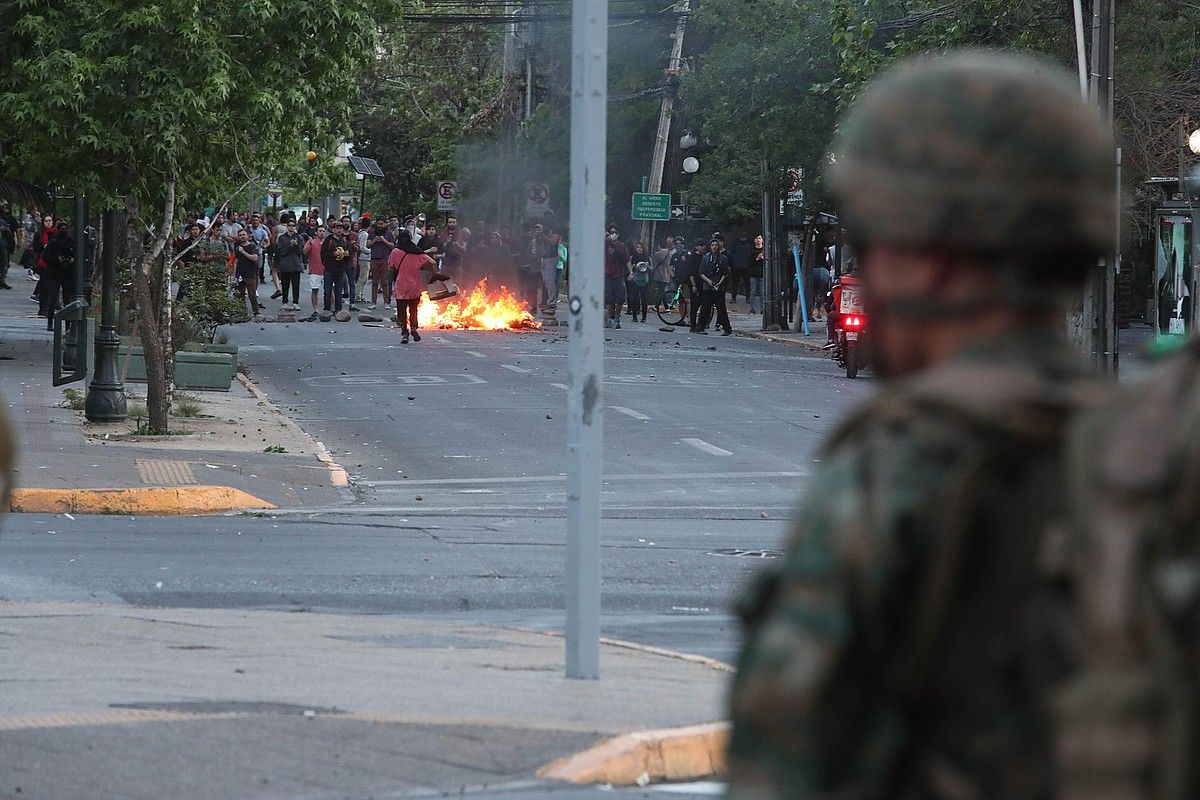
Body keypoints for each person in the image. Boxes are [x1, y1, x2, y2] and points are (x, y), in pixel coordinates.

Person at [726, 51, 1119, 799]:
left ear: (929, 261)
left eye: (876, 244)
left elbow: (792, 759)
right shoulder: (1157, 452)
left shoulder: (904, 467)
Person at [390, 230, 434, 344]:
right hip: (414, 285)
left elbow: (391, 266)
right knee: (413, 310)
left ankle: (405, 332)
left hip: (401, 285)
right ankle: (414, 328)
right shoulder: (417, 252)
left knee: (402, 311)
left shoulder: (395, 251)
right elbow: (432, 262)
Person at [695, 239, 731, 335]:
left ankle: (727, 329)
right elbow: (701, 272)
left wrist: (719, 283)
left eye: (716, 245)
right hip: (708, 285)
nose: (714, 247)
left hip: (719, 286)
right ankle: (700, 327)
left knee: (721, 308)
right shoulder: (706, 258)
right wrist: (708, 281)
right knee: (705, 308)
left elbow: (725, 272)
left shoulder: (723, 258)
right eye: (712, 245)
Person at [320, 221, 353, 313]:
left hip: (341, 269)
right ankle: (327, 309)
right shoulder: (328, 240)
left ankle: (338, 310)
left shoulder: (345, 241)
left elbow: (351, 253)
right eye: (337, 228)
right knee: (327, 291)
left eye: (341, 228)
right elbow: (323, 254)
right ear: (333, 229)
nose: (339, 230)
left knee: (339, 292)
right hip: (329, 269)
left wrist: (347, 254)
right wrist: (333, 254)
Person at [274, 219, 304, 310]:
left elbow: (301, 252)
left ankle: (295, 302)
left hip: (295, 265)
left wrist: (296, 245)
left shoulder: (299, 238)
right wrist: (290, 246)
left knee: (296, 285)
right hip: (285, 265)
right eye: (290, 225)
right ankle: (285, 302)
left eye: (293, 226)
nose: (291, 227)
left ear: (296, 227)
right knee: (285, 285)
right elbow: (281, 252)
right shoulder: (282, 238)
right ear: (287, 227)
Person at [232, 228, 262, 319]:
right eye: (240, 235)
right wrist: (234, 273)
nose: (242, 237)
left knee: (252, 294)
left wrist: (244, 252)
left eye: (244, 234)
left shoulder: (252, 247)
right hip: (240, 273)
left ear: (248, 236)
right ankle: (241, 313)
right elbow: (236, 260)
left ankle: (256, 312)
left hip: (250, 273)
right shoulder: (237, 247)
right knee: (239, 295)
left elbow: (254, 258)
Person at [603, 225, 629, 329]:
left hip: (619, 274)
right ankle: (609, 318)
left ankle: (617, 317)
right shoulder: (605, 244)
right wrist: (606, 237)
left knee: (621, 297)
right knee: (609, 299)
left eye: (616, 232)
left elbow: (627, 260)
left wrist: (631, 272)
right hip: (607, 274)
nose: (614, 234)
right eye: (612, 232)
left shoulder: (621, 246)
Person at [302, 224, 326, 321]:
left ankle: (331, 309)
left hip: (326, 270)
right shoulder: (311, 241)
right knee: (315, 290)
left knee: (329, 291)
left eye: (323, 231)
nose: (322, 232)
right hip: (315, 270)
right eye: (320, 231)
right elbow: (304, 252)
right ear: (316, 232)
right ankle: (315, 309)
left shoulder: (327, 242)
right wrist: (309, 244)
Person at [627, 241, 651, 323]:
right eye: (637, 247)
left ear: (643, 248)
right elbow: (630, 267)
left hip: (644, 280)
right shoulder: (633, 257)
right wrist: (632, 267)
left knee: (644, 299)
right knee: (635, 298)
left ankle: (644, 317)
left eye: (641, 247)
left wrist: (647, 266)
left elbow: (651, 269)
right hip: (635, 280)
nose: (639, 249)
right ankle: (634, 317)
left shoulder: (646, 257)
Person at [728, 231, 753, 306]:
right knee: (735, 283)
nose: (743, 232)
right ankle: (733, 297)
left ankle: (748, 297)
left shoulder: (749, 242)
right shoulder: (735, 242)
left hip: (747, 266)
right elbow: (731, 253)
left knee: (747, 283)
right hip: (736, 266)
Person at [650, 237, 673, 308]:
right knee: (662, 290)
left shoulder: (656, 254)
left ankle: (662, 305)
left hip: (658, 275)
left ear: (659, 246)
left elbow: (653, 265)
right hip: (667, 275)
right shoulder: (670, 253)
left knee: (661, 291)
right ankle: (663, 305)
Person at [747, 234, 765, 314]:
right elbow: (749, 262)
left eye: (760, 238)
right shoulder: (751, 250)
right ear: (754, 240)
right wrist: (757, 258)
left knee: (762, 292)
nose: (758, 240)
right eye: (757, 238)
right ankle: (752, 308)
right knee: (753, 291)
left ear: (762, 240)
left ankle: (763, 309)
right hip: (753, 274)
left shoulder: (765, 250)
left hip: (762, 274)